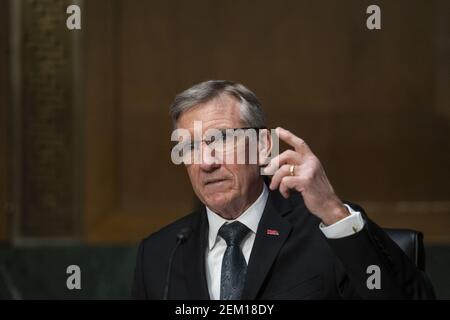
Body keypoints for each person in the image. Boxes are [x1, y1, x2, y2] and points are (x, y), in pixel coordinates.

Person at [132, 80, 435, 299]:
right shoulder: (160, 254)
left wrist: (332, 210)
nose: (206, 162)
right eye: (191, 147)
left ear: (263, 145)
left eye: (221, 140)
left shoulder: (328, 231)